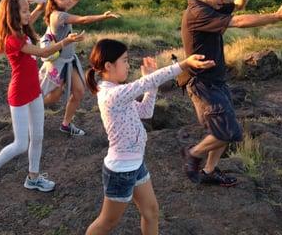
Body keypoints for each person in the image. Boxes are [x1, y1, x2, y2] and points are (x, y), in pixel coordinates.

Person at [180, 0, 282, 186]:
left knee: (222, 128)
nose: (224, 0)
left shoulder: (212, 6)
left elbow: (236, 7)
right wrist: (277, 17)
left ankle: (209, 172)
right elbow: (237, 21)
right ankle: (193, 153)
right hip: (202, 82)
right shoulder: (197, 12)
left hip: (216, 80)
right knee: (229, 132)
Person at [85, 39, 215, 234]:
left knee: (151, 212)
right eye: (125, 61)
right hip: (121, 170)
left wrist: (151, 85)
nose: (129, 65)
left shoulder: (117, 92)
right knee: (107, 222)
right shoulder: (111, 95)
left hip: (136, 164)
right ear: (108, 65)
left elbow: (146, 111)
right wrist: (183, 64)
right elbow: (148, 81)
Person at [0, 0, 84, 197]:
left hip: (34, 91)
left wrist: (42, 2)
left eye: (27, 10)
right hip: (19, 95)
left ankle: (33, 178)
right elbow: (43, 53)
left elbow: (32, 17)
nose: (28, 15)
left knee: (38, 137)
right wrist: (65, 42)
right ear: (13, 15)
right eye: (24, 11)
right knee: (20, 143)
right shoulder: (12, 40)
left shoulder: (20, 29)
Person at [39, 0, 120, 136]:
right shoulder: (58, 15)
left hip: (70, 60)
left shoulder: (62, 8)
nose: (71, 1)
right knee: (54, 96)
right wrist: (103, 17)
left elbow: (75, 0)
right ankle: (30, 108)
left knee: (79, 91)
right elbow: (82, 20)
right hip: (60, 62)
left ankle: (66, 124)